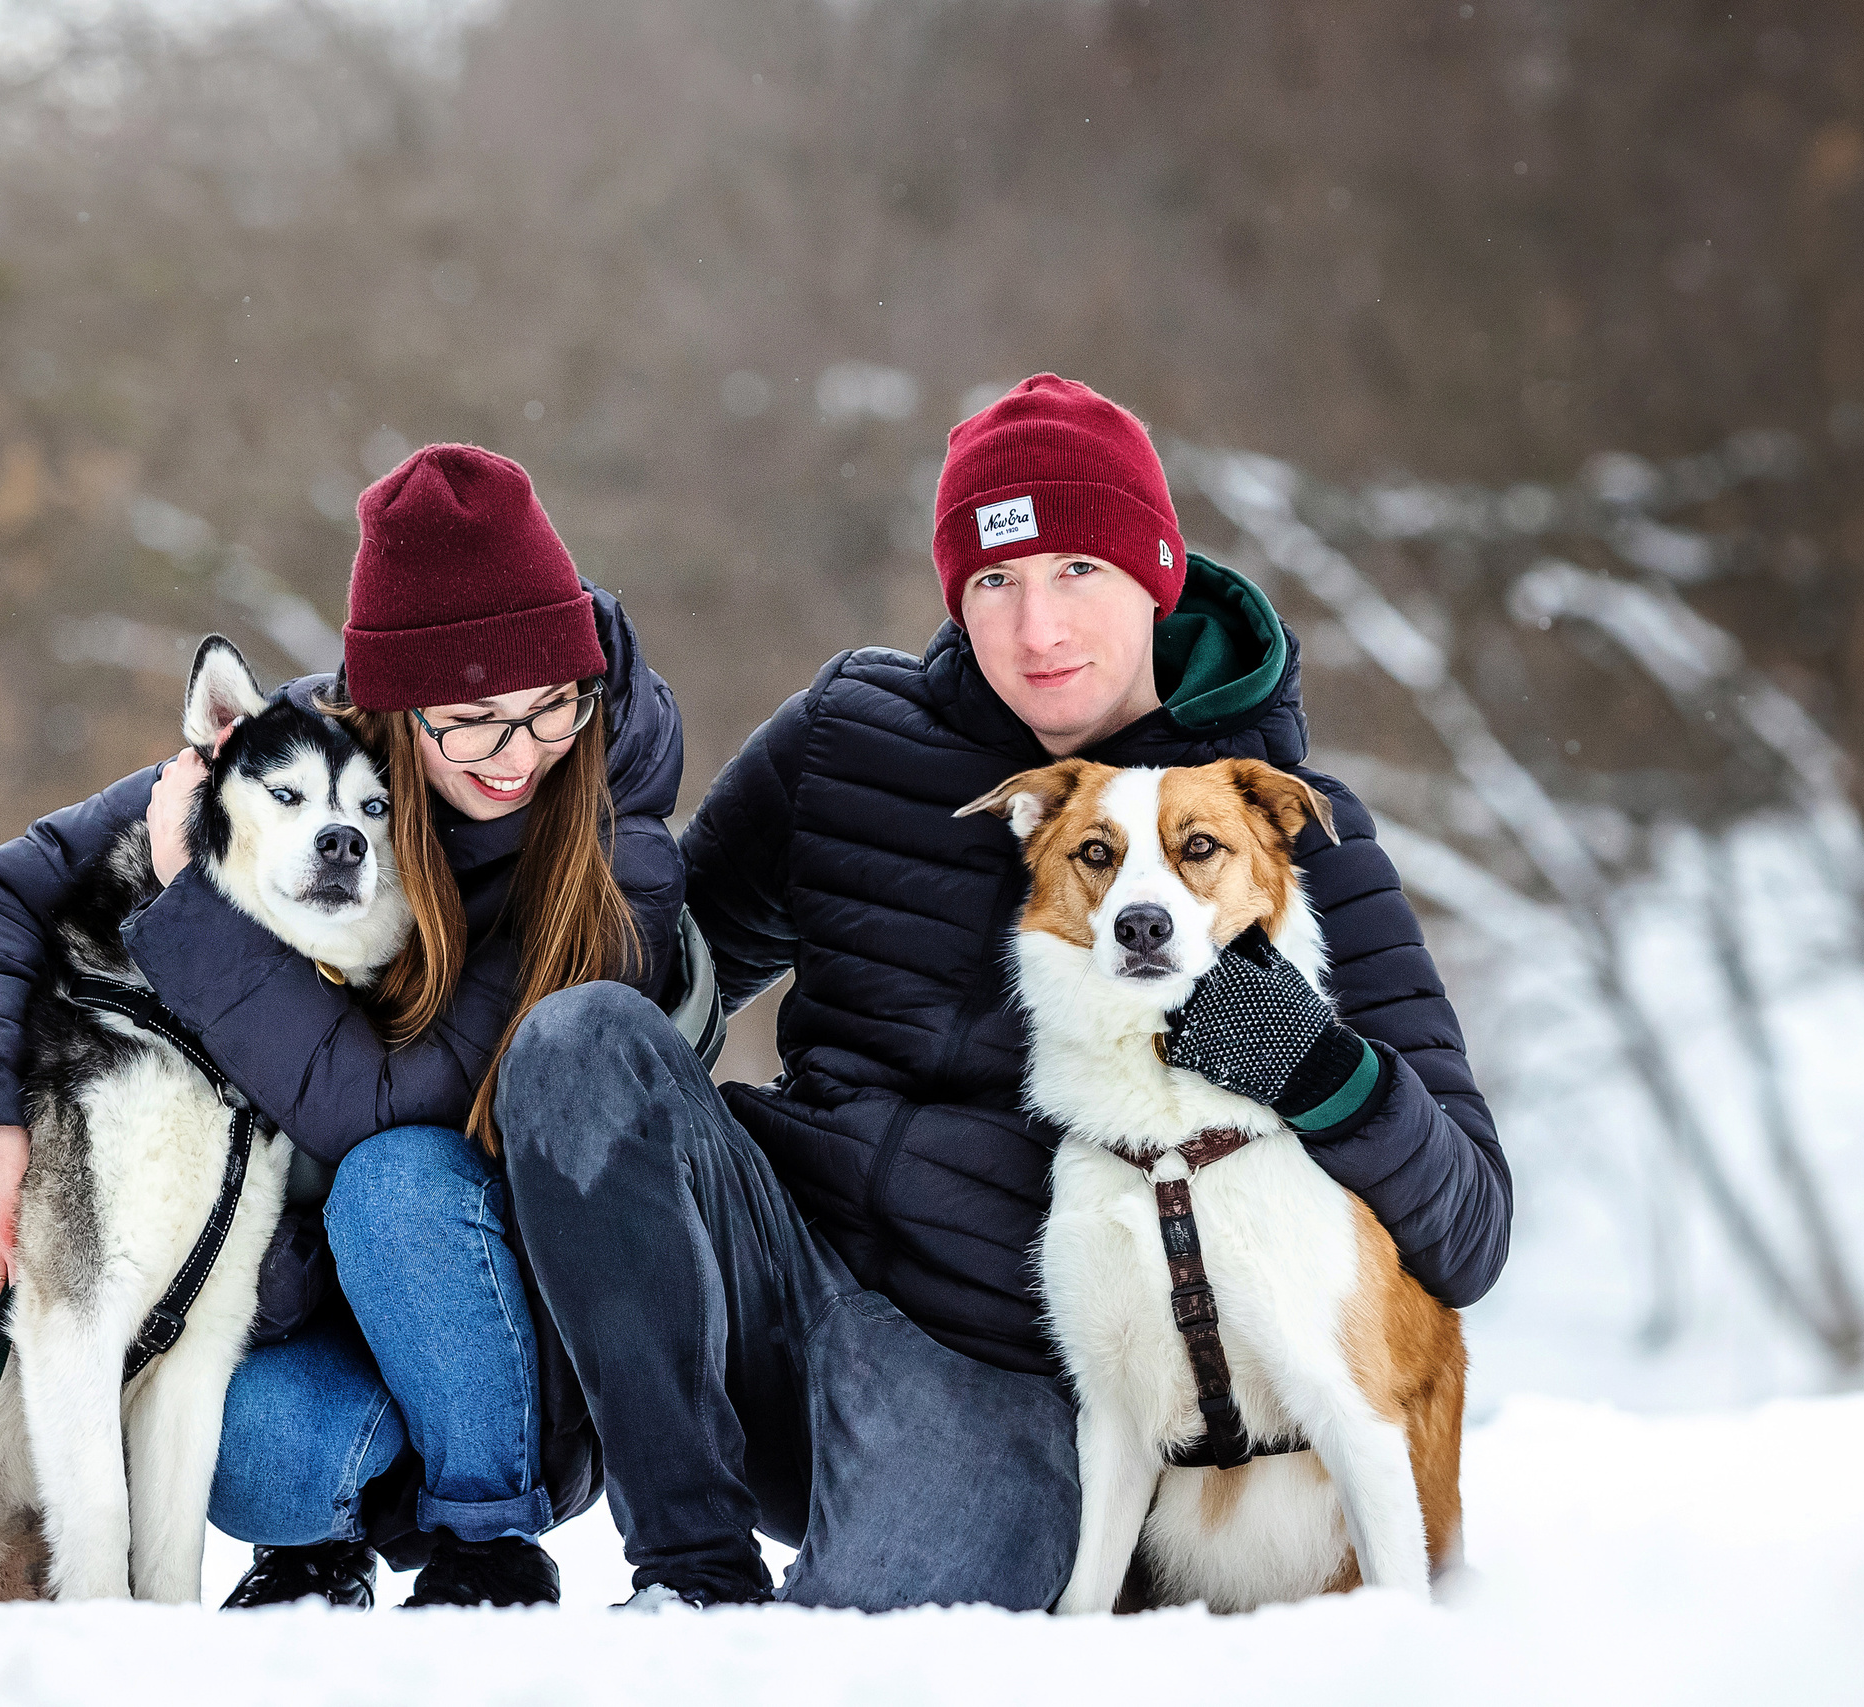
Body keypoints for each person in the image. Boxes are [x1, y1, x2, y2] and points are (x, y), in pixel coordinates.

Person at [495, 374, 1512, 1610]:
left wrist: (1314, 1066)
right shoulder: (849, 737)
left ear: (1156, 574)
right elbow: (654, 982)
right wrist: (581, 775)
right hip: (780, 1269)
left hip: (1003, 1382)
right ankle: (687, 1577)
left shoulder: (1278, 832)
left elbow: (1468, 1227)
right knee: (577, 1038)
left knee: (888, 1622)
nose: (1037, 631)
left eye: (1076, 570)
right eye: (994, 582)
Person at [0, 444, 689, 1608]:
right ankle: (315, 1543)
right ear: (389, 704)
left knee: (396, 1176)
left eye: (547, 708)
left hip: (501, 1310)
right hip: (316, 1291)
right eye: (469, 720)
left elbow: (380, 1103)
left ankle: (486, 1536)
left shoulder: (611, 837)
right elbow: (4, 893)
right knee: (248, 1441)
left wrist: (186, 903)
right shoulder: (302, 761)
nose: (516, 755)